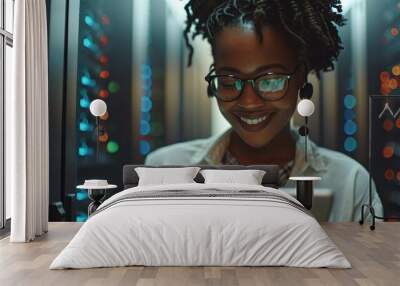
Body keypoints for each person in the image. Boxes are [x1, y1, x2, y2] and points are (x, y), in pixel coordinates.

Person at [145, 0, 383, 222]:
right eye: (229, 80)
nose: (249, 102)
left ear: (301, 77)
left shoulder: (350, 184)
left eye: (270, 80)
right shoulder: (165, 167)